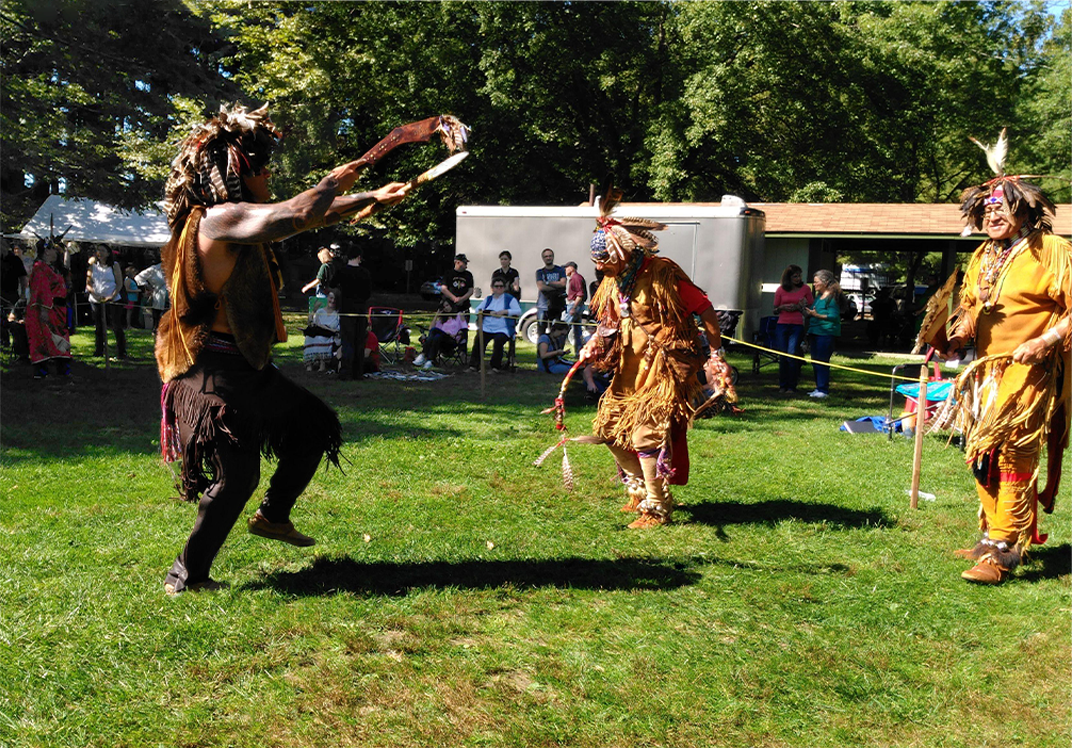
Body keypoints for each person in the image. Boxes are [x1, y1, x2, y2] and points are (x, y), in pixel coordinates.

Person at [156, 103, 411, 595]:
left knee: (312, 425)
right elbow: (298, 212)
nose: (269, 174)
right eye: (263, 167)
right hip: (210, 371)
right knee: (237, 476)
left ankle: (273, 516)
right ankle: (184, 577)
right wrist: (344, 177)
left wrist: (370, 196)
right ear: (237, 171)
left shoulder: (235, 218)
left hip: (247, 367)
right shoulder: (218, 219)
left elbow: (304, 215)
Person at [933, 136, 1070, 585]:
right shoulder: (983, 254)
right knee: (981, 453)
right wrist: (958, 331)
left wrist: (1048, 339)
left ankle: (1003, 547)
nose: (992, 215)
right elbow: (971, 303)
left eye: (1002, 208)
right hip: (987, 372)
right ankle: (993, 534)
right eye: (986, 209)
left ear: (1027, 212)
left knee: (1012, 451)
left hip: (1031, 373)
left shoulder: (1052, 251)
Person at [576, 188, 735, 528]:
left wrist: (716, 353)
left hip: (664, 366)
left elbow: (704, 307)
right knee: (609, 430)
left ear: (625, 251)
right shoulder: (615, 281)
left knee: (645, 435)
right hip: (628, 368)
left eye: (607, 261)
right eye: (598, 263)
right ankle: (639, 490)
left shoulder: (662, 274)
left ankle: (657, 507)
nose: (602, 268)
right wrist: (593, 343)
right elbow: (611, 322)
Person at [25, 241, 72, 378]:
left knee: (58, 338)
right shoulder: (40, 268)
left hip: (57, 310)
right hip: (45, 310)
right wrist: (44, 310)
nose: (56, 253)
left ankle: (63, 371)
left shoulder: (49, 267)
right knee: (43, 338)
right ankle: (42, 372)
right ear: (46, 251)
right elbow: (42, 290)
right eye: (53, 250)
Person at [538, 320, 608, 397]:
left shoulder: (555, 339)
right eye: (561, 333)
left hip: (557, 362)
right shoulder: (544, 338)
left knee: (581, 366)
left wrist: (563, 353)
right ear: (556, 330)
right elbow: (543, 355)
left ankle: (594, 385)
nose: (561, 336)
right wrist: (557, 352)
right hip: (549, 367)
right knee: (578, 368)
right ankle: (594, 388)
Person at [772, 264, 813, 393]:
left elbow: (810, 305)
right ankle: (782, 385)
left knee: (791, 354)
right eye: (795, 276)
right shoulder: (780, 290)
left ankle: (792, 386)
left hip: (796, 325)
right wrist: (782, 308)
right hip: (782, 325)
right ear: (788, 278)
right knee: (783, 355)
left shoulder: (805, 289)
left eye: (799, 276)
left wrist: (801, 306)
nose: (798, 278)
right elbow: (775, 309)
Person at [803, 269, 842, 398]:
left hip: (826, 334)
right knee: (815, 361)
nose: (814, 284)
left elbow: (834, 316)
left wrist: (817, 315)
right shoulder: (819, 296)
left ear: (825, 282)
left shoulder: (831, 297)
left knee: (822, 361)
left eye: (816, 282)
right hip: (814, 332)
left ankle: (823, 390)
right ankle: (818, 387)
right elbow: (813, 312)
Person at [469, 277, 520, 372]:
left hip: (502, 329)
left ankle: (495, 367)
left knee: (499, 341)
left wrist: (505, 311)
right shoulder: (488, 299)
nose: (499, 288)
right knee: (479, 339)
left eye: (501, 286)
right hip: (487, 328)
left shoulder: (510, 299)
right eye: (496, 286)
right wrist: (489, 312)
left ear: (504, 288)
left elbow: (518, 311)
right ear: (492, 288)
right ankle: (474, 365)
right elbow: (477, 310)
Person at [336, 244, 371, 380]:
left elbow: (332, 284)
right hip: (360, 311)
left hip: (346, 311)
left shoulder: (341, 271)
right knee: (359, 342)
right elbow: (368, 293)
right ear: (358, 257)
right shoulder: (365, 273)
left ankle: (346, 372)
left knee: (347, 342)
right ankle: (358, 373)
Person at [86, 245, 126, 359]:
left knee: (116, 325)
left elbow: (119, 283)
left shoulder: (114, 266)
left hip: (112, 299)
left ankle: (121, 351)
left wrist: (111, 296)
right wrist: (94, 294)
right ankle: (99, 350)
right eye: (98, 250)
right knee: (99, 327)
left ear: (108, 253)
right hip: (96, 300)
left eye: (103, 250)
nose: (100, 253)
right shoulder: (93, 266)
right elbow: (88, 283)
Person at [413, 299, 467, 369]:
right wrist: (436, 315)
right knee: (437, 335)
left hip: (452, 340)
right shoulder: (443, 319)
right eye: (444, 307)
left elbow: (464, 328)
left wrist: (456, 334)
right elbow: (431, 329)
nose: (446, 308)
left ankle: (424, 354)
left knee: (436, 332)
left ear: (451, 305)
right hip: (440, 340)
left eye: (447, 305)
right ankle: (430, 360)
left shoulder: (459, 315)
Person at [1, 239, 28, 355]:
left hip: (11, 296)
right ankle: (3, 342)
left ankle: (19, 350)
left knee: (16, 323)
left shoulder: (15, 260)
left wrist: (23, 294)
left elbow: (23, 278)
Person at [303, 290, 341, 372]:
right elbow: (313, 323)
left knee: (321, 338)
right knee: (309, 337)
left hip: (330, 335)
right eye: (331, 298)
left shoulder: (337, 314)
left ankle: (322, 364)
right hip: (319, 332)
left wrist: (325, 327)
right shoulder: (320, 312)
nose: (332, 301)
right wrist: (314, 311)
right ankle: (309, 364)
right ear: (327, 298)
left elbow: (337, 330)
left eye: (334, 299)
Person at [535, 248, 566, 337]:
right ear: (543, 258)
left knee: (556, 332)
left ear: (553, 257)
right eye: (546, 256)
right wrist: (557, 287)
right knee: (541, 332)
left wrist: (548, 283)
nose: (548, 258)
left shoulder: (560, 270)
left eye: (550, 256)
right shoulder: (539, 272)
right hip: (543, 306)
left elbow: (563, 284)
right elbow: (541, 287)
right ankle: (541, 350)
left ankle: (555, 350)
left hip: (557, 305)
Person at [134, 250, 168, 333]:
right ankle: (156, 330)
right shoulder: (154, 269)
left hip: (172, 296)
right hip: (159, 296)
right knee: (158, 315)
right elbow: (138, 278)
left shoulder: (175, 268)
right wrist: (148, 287)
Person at [564, 261, 588, 357]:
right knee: (577, 331)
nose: (565, 271)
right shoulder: (576, 278)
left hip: (574, 304)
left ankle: (557, 349)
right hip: (578, 305)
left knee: (564, 328)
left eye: (566, 268)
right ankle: (579, 352)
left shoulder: (576, 278)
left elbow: (580, 294)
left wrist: (573, 308)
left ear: (571, 268)